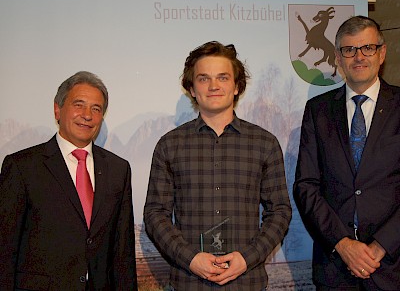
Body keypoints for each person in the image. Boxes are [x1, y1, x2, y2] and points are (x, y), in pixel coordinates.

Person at [144, 41, 292, 290]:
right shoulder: (169, 145)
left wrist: (247, 258)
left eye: (223, 77)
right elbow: (155, 214)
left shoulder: (265, 143)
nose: (213, 86)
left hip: (247, 282)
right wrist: (190, 258)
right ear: (191, 88)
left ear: (236, 86)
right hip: (189, 283)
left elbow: (279, 212)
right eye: (203, 79)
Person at [0, 71, 137, 290]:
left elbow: (123, 254)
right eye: (79, 105)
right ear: (57, 109)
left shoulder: (118, 169)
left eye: (96, 108)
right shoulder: (22, 167)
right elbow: (5, 250)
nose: (87, 115)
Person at [294, 16, 400, 290]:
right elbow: (306, 186)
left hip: (392, 267)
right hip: (335, 269)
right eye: (349, 50)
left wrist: (380, 247)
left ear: (382, 53)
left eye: (367, 48)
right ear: (338, 58)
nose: (359, 56)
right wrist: (342, 244)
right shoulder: (318, 111)